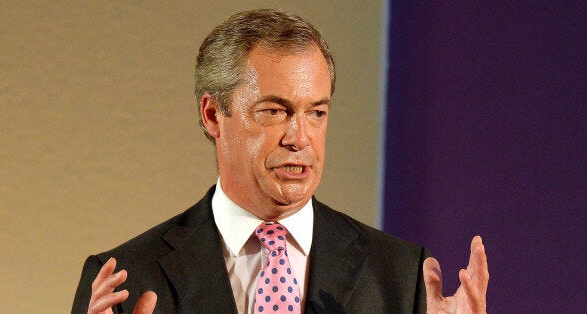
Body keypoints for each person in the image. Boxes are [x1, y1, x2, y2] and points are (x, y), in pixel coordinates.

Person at [72, 9, 488, 314]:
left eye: (317, 112)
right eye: (274, 111)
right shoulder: (125, 279)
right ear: (213, 115)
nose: (300, 138)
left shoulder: (398, 275)